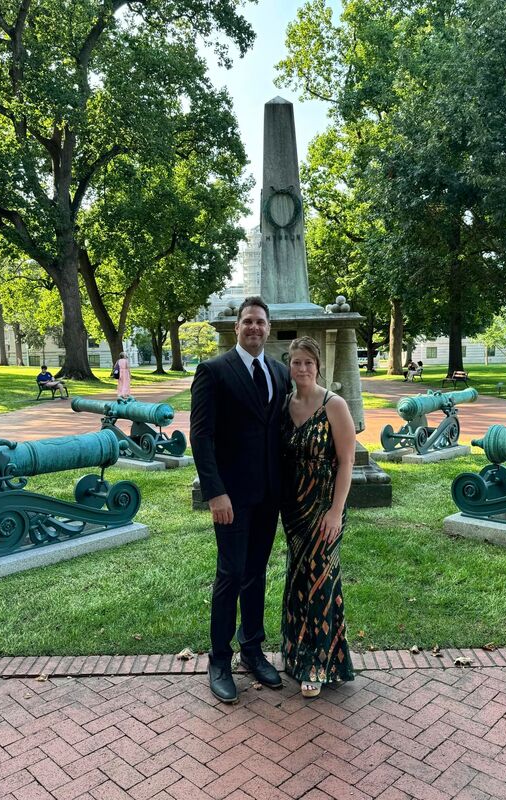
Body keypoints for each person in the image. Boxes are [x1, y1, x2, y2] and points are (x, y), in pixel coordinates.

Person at [190, 296, 291, 703]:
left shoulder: (280, 372)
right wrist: (215, 492)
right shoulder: (213, 371)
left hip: (269, 495)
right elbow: (201, 436)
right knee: (230, 574)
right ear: (237, 327)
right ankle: (218, 659)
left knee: (256, 572)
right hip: (230, 498)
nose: (254, 328)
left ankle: (251, 649)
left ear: (268, 328)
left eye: (260, 322)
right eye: (247, 321)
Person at [281, 336, 355, 697]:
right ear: (289, 366)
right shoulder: (285, 405)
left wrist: (336, 511)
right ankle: (296, 656)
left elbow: (347, 462)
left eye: (309, 363)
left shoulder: (334, 405)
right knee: (297, 581)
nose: (303, 369)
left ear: (318, 366)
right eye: (297, 362)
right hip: (292, 510)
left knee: (321, 584)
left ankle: (320, 664)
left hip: (325, 508)